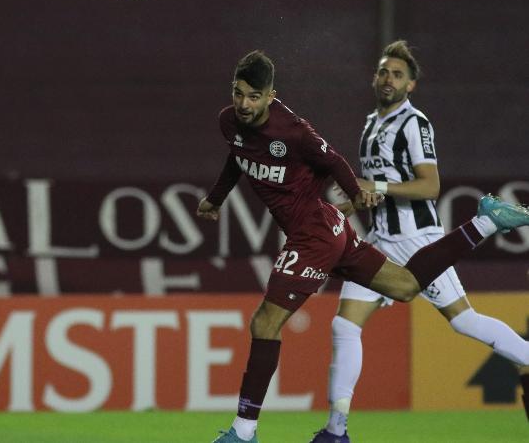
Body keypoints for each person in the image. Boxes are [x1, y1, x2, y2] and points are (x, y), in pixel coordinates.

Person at [195, 51, 529, 443]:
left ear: (271, 95)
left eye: (254, 96)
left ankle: (244, 431)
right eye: (239, 94)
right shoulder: (230, 122)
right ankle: (487, 220)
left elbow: (335, 161)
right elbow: (239, 156)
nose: (244, 104)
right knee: (402, 289)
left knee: (266, 322)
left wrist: (358, 192)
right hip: (339, 228)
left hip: (321, 234)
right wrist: (216, 199)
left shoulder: (296, 131)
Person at [311, 41, 529, 442]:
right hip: (379, 239)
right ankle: (335, 430)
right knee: (344, 325)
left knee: (463, 321)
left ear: (411, 85)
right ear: (374, 78)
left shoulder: (414, 124)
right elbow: (376, 188)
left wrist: (374, 184)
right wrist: (355, 202)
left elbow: (430, 186)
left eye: (397, 74)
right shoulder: (370, 124)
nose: (388, 79)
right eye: (383, 72)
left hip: (416, 241)